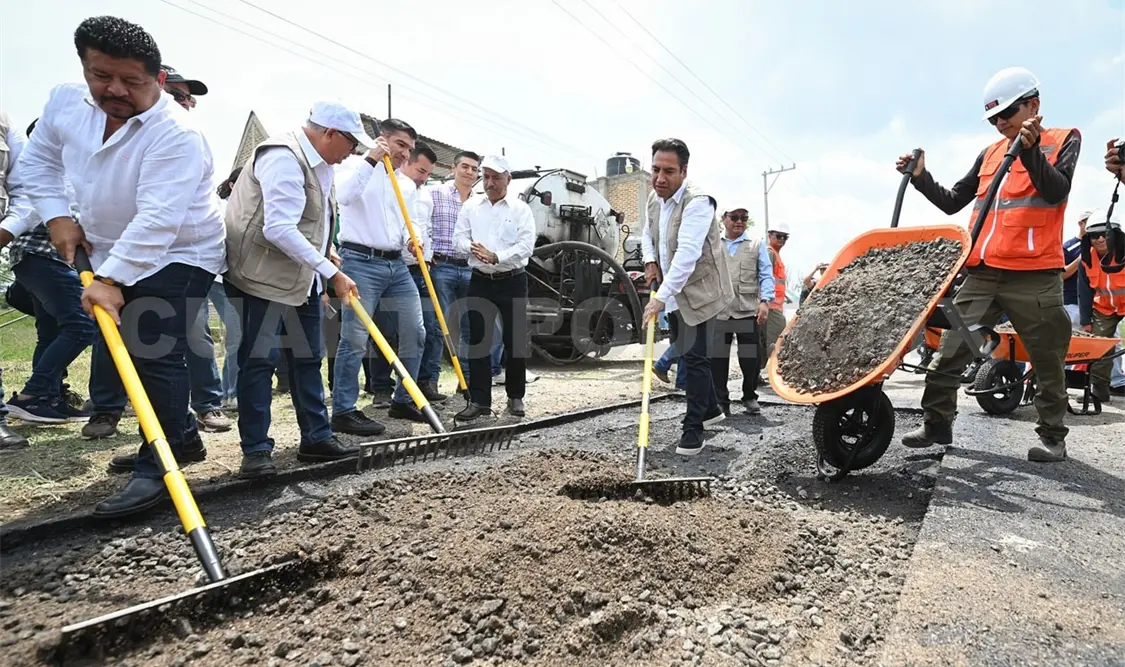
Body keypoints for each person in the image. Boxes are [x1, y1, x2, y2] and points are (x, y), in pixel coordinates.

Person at [17, 16, 226, 516]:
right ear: (85, 68)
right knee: (130, 351)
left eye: (130, 81)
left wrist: (111, 280)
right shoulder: (65, 102)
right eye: (100, 75)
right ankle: (181, 437)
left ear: (156, 79)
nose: (114, 90)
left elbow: (159, 220)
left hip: (182, 250)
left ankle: (165, 456)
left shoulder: (177, 134)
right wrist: (58, 216)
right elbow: (39, 164)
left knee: (152, 349)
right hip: (109, 245)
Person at [895, 66, 1079, 463]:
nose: (999, 123)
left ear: (1033, 105)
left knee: (1047, 360)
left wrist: (1029, 153)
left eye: (1006, 114)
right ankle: (936, 425)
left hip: (1034, 276)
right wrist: (922, 178)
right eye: (993, 118)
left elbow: (1055, 191)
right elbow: (953, 201)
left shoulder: (1063, 140)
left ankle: (1052, 437)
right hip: (983, 272)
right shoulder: (990, 152)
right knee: (950, 352)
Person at [223, 100, 371, 478]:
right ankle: (256, 450)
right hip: (262, 277)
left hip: (302, 278)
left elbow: (314, 223)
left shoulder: (322, 166)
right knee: (260, 360)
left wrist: (328, 253)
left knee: (307, 357)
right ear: (330, 133)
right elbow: (278, 228)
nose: (351, 153)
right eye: (351, 143)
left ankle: (316, 438)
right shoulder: (283, 157)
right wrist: (329, 271)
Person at [331, 117, 428, 433]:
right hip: (359, 260)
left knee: (416, 331)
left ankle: (404, 400)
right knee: (356, 338)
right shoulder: (353, 168)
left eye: (409, 149)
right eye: (400, 145)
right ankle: (344, 410)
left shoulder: (407, 185)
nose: (405, 154)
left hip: (396, 266)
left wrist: (415, 240)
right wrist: (372, 158)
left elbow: (410, 222)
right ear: (382, 140)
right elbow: (343, 197)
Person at [639, 138, 733, 455]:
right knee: (690, 353)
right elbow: (647, 233)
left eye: (668, 171)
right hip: (673, 291)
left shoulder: (698, 202)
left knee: (693, 360)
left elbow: (687, 255)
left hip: (700, 291)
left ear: (684, 171)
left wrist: (659, 298)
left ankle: (693, 430)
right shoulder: (655, 198)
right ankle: (710, 411)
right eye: (655, 170)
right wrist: (650, 261)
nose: (660, 179)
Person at [1, 118, 95, 425]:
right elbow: (37, 210)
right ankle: (33, 393)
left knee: (51, 330)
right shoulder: (46, 169)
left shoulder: (65, 169)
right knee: (83, 324)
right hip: (42, 256)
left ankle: (47, 399)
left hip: (36, 258)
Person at [451, 155, 535, 422]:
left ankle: (515, 397)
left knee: (516, 340)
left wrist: (496, 256)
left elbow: (525, 247)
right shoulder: (472, 206)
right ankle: (479, 401)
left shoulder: (521, 210)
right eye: (486, 177)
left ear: (508, 179)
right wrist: (475, 250)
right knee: (478, 341)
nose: (490, 182)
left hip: (512, 279)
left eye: (496, 177)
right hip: (480, 279)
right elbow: (458, 239)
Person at [366, 142, 447, 402]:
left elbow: (426, 230)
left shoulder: (425, 194)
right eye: (420, 170)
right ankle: (381, 388)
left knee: (427, 330)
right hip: (395, 268)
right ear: (407, 161)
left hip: (423, 270)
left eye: (428, 174)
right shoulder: (389, 186)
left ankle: (421, 385)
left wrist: (428, 253)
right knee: (387, 331)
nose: (424, 177)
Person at [712, 207, 774, 416]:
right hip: (719, 311)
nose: (739, 222)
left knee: (750, 358)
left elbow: (766, 275)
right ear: (724, 219)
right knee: (718, 359)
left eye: (744, 218)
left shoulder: (756, 245)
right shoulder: (713, 244)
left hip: (747, 310)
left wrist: (765, 301)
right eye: (735, 217)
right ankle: (721, 401)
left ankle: (749, 395)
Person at [428, 150, 480, 389]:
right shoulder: (435, 193)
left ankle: (466, 380)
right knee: (440, 326)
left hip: (469, 269)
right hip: (443, 267)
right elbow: (424, 226)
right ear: (453, 168)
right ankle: (430, 382)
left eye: (474, 169)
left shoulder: (479, 202)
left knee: (468, 325)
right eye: (465, 167)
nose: (470, 172)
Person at [1077, 211, 1125, 403]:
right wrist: (1085, 321)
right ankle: (1099, 390)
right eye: (1095, 236)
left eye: (1105, 234)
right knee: (1099, 346)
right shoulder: (1086, 260)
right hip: (1104, 308)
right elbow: (1084, 292)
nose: (1100, 239)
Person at [761, 221, 789, 361]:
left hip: (775, 306)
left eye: (785, 237)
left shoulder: (775, 255)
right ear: (770, 235)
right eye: (779, 236)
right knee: (778, 339)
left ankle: (756, 373)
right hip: (770, 306)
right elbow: (765, 278)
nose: (782, 240)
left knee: (766, 341)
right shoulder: (769, 253)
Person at [1062, 209, 1093, 328]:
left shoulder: (1101, 246)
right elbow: (1060, 275)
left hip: (1099, 307)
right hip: (1072, 305)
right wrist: (1080, 260)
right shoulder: (1068, 247)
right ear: (1081, 223)